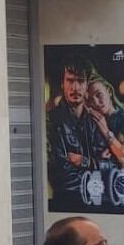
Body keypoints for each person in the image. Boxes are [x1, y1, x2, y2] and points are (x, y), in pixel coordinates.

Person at [47, 56, 109, 211]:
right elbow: (60, 176)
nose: (75, 87)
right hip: (67, 206)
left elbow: (111, 166)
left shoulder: (95, 122)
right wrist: (97, 174)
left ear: (87, 85)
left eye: (80, 81)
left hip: (98, 204)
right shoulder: (52, 121)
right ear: (62, 84)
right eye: (70, 80)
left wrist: (85, 162)